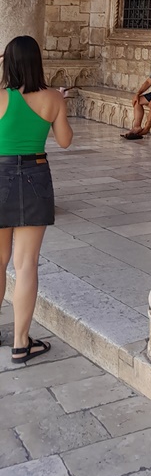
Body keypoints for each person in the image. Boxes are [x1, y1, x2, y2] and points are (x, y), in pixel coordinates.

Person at [0, 35, 73, 363]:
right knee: (26, 263)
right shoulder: (54, 98)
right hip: (35, 174)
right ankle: (20, 342)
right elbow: (65, 141)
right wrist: (62, 105)